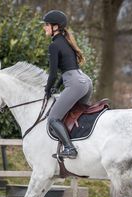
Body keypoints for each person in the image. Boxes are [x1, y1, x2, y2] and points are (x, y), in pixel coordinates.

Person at [42, 10, 93, 159]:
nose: (44, 27)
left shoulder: (54, 45)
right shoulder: (67, 42)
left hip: (75, 85)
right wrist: (56, 87)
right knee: (75, 116)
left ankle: (70, 148)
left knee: (53, 119)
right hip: (85, 82)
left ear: (55, 27)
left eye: (46, 25)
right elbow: (67, 69)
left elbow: (53, 74)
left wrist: (47, 91)